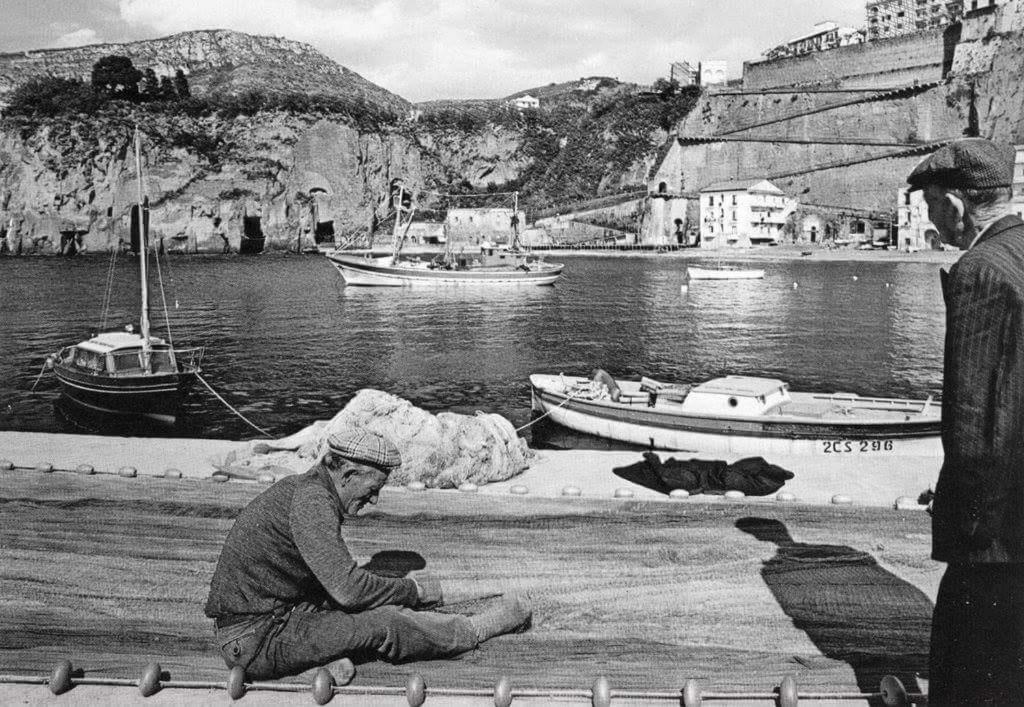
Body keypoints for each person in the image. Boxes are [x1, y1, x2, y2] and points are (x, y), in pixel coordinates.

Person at [204, 427, 531, 682]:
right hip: (257, 639)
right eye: (372, 490)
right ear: (347, 475)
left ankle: (310, 664)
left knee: (373, 598)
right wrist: (411, 591)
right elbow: (348, 590)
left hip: (268, 620)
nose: (374, 500)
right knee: (384, 621)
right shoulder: (313, 503)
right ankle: (475, 630)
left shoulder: (305, 489)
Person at [905, 137, 1024, 705]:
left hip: (998, 518)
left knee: (971, 663)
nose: (931, 219)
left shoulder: (978, 270)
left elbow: (972, 413)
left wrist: (968, 513)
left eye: (930, 206)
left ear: (954, 204)